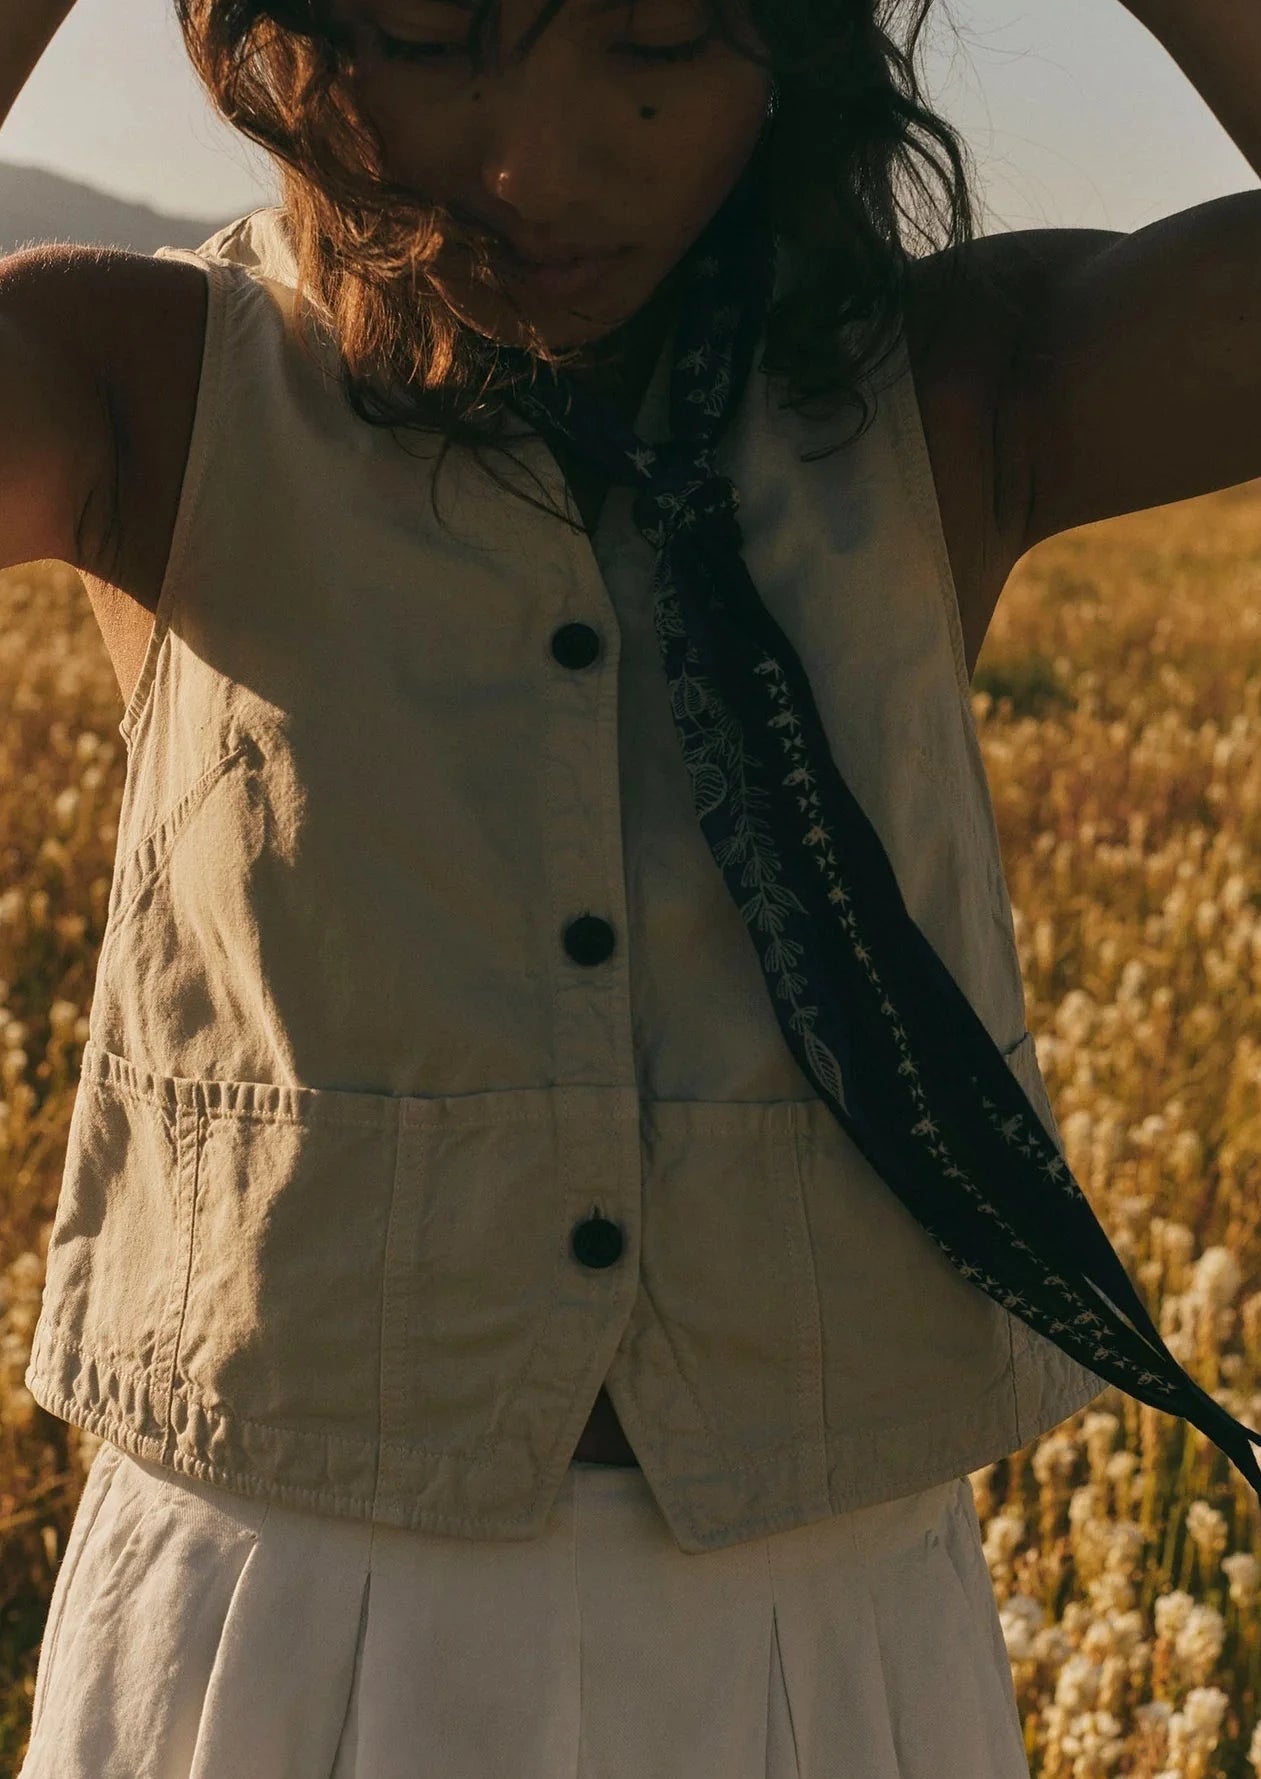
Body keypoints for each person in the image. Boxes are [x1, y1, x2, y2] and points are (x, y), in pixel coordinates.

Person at [6, 0, 1261, 1774]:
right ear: (294, 38)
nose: (537, 163)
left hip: (818, 1619)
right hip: (279, 1604)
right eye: (432, 40)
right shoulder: (153, 376)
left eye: (657, 44)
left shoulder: (945, 386)